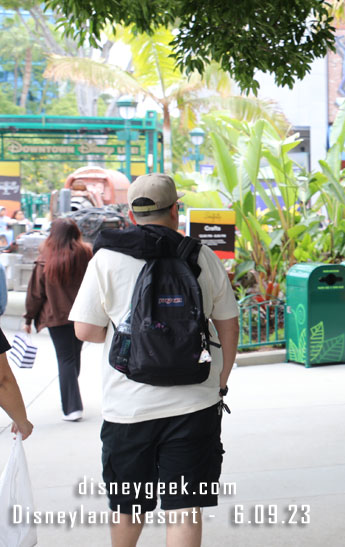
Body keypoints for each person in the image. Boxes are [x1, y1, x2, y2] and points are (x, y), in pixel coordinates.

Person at [70, 173, 239, 546]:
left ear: (131, 214)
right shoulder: (201, 255)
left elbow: (85, 331)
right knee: (183, 508)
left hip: (128, 409)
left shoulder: (107, 258)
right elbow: (227, 323)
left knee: (129, 507)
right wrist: (221, 378)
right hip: (194, 403)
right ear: (175, 210)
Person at [23, 218, 92, 421]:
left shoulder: (45, 259)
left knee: (66, 358)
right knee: (73, 356)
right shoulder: (86, 254)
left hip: (56, 316)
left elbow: (36, 293)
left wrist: (28, 318)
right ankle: (71, 397)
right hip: (81, 314)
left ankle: (72, 407)